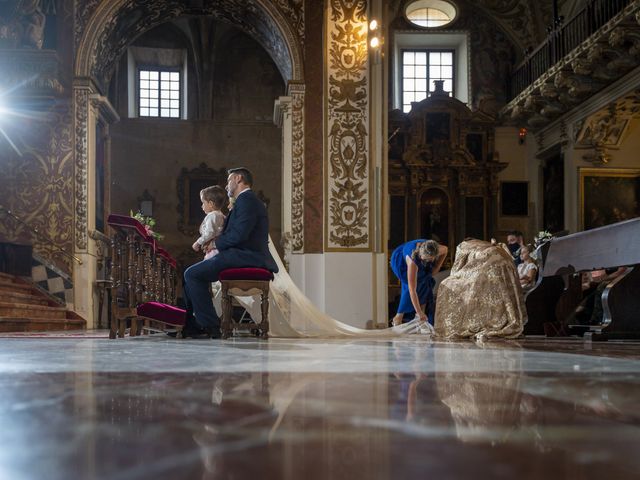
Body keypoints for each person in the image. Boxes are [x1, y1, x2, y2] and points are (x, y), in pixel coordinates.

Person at [182, 167, 278, 338]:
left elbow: (239, 235)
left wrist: (215, 244)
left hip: (246, 256)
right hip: (240, 254)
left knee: (192, 274)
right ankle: (192, 325)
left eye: (228, 181)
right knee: (190, 275)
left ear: (238, 178)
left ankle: (209, 326)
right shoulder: (245, 200)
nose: (226, 186)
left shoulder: (247, 201)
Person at [435, 239, 526, 340]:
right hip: (505, 259)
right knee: (497, 296)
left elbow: (457, 268)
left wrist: (453, 281)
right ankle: (499, 322)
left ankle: (480, 324)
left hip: (488, 260)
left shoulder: (461, 247)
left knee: (447, 286)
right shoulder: (482, 244)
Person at [390, 239, 448, 327]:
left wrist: (437, 267)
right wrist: (419, 312)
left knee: (426, 279)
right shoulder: (413, 263)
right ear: (422, 256)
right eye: (429, 259)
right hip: (400, 261)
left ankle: (420, 318)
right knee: (410, 285)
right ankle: (398, 317)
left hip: (424, 252)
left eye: (432, 259)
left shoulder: (437, 250)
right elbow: (412, 290)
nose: (431, 260)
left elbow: (446, 249)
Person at [192, 186, 227, 260]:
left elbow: (209, 233)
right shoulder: (221, 215)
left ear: (211, 204)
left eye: (203, 203)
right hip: (217, 249)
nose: (202, 206)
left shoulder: (212, 215)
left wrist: (198, 243)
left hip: (213, 251)